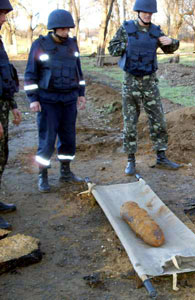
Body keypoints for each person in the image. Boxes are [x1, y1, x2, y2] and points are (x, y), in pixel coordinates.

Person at [108, 0, 181, 176]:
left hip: (149, 83)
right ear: (138, 12)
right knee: (130, 123)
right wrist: (126, 46)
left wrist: (172, 41)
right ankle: (131, 160)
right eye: (145, 12)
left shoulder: (155, 32)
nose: (148, 15)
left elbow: (169, 49)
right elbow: (112, 48)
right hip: (131, 82)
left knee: (158, 120)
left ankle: (161, 156)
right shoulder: (126, 29)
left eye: (150, 13)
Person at [24, 9, 86, 193]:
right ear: (54, 28)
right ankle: (42, 176)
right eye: (63, 29)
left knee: (68, 138)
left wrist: (81, 94)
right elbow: (30, 73)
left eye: (68, 29)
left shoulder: (72, 45)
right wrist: (33, 99)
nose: (66, 32)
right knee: (47, 140)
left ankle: (65, 172)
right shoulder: (40, 45)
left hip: (68, 100)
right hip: (48, 101)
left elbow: (78, 73)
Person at [0, 0, 22, 229]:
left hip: (3, 107)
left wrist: (14, 105)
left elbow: (5, 78)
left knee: (1, 157)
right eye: (1, 13)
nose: (5, 18)